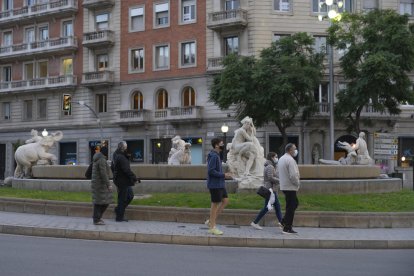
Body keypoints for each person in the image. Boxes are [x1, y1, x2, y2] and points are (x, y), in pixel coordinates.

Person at [206, 137, 232, 235]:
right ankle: (212, 227)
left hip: (220, 184)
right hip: (215, 185)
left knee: (225, 201)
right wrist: (224, 175)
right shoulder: (213, 156)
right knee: (215, 205)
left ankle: (210, 221)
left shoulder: (217, 155)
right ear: (216, 145)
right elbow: (211, 171)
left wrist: (224, 174)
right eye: (221, 143)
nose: (223, 145)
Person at [250, 152, 283, 230]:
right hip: (271, 190)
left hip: (270, 189)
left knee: (274, 207)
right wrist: (279, 180)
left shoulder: (268, 165)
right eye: (276, 156)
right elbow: (270, 177)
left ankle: (282, 223)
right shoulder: (270, 166)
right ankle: (255, 222)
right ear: (272, 157)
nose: (276, 158)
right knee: (271, 207)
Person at [112, 141, 139, 222]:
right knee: (122, 198)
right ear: (123, 148)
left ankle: (118, 210)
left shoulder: (120, 155)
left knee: (129, 196)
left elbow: (114, 167)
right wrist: (134, 178)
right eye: (126, 147)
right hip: (122, 180)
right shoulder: (120, 156)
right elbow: (126, 170)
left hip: (123, 180)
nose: (127, 148)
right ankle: (119, 217)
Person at [279, 143, 300, 234]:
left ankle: (284, 221)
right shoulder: (290, 160)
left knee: (293, 204)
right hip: (290, 186)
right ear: (290, 150)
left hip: (284, 185)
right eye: (294, 149)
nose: (295, 151)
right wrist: (297, 183)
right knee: (291, 207)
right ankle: (287, 227)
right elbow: (293, 175)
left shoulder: (281, 158)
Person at [91, 146, 113, 225]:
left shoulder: (98, 158)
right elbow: (103, 173)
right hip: (100, 184)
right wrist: (108, 184)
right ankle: (96, 219)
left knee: (99, 202)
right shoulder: (101, 160)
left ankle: (97, 218)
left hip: (97, 183)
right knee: (103, 202)